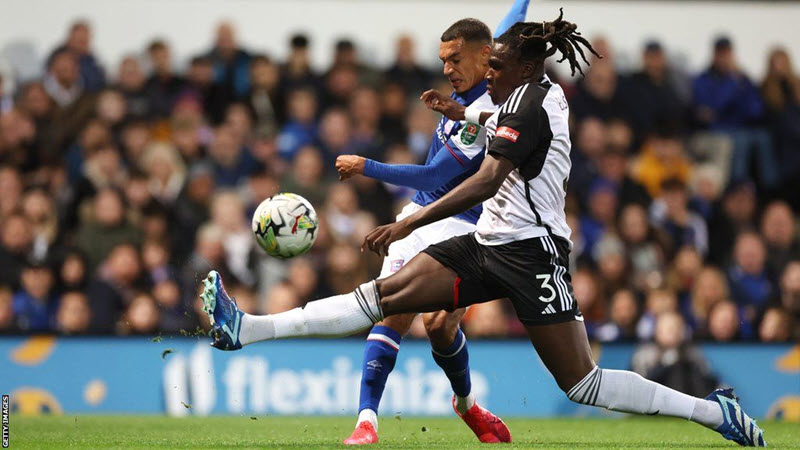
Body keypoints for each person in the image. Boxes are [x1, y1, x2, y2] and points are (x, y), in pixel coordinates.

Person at [201, 12, 765, 448]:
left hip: (533, 256)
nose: (486, 75)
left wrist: (413, 221)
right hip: (484, 244)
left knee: (583, 384)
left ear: (523, 69)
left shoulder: (533, 107)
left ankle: (714, 413)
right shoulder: (520, 95)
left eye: (494, 67)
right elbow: (489, 116)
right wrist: (456, 110)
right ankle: (245, 328)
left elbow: (488, 179)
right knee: (381, 299)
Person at [331, 3, 529, 443]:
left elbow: (435, 175)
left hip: (464, 227)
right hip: (421, 217)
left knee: (440, 325)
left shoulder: (488, 110)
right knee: (393, 312)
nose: (447, 68)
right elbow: (505, 25)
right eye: (442, 60)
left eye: (454, 59)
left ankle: (466, 405)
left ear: (484, 57)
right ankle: (367, 421)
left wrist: (368, 166)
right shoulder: (466, 88)